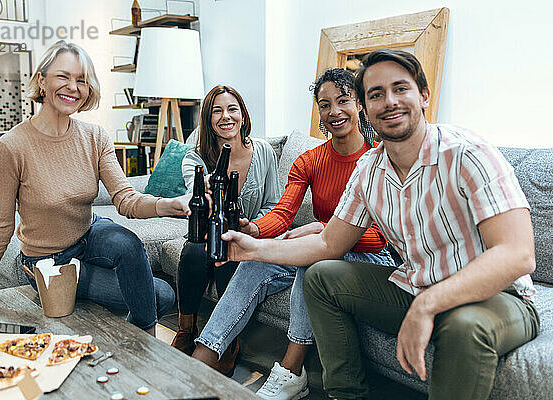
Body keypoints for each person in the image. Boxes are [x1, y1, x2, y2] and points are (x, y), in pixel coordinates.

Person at [217, 49, 540, 400]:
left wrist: (429, 303)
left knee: (464, 326)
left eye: (400, 88)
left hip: (495, 297)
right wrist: (256, 247)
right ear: (367, 107)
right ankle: (346, 393)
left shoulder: (467, 153)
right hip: (414, 287)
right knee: (321, 275)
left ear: (423, 96)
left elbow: (517, 254)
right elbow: (328, 245)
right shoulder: (370, 169)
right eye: (376, 94)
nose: (389, 102)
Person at [0, 40, 189, 336]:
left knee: (133, 252)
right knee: (158, 295)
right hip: (48, 260)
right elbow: (0, 224)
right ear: (42, 80)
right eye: (63, 76)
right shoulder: (11, 146)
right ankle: (60, 295)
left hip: (89, 234)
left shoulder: (95, 137)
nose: (73, 87)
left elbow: (125, 199)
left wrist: (168, 204)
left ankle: (143, 344)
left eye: (82, 80)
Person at [190, 68, 395, 400]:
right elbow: (283, 215)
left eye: (343, 101)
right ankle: (204, 357)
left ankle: (291, 372)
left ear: (359, 104)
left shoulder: (379, 160)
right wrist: (253, 230)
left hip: (371, 254)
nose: (334, 112)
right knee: (257, 260)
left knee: (310, 259)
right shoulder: (310, 160)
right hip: (323, 245)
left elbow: (380, 236)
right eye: (325, 105)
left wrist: (323, 231)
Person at [171, 85, 281, 373]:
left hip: (251, 235)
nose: (226, 116)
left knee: (231, 249)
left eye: (232, 109)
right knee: (197, 249)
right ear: (208, 120)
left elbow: (274, 204)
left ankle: (229, 339)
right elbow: (199, 207)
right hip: (207, 234)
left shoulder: (265, 152)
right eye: (217, 111)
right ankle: (186, 330)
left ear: (242, 115)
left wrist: (252, 227)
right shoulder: (194, 159)